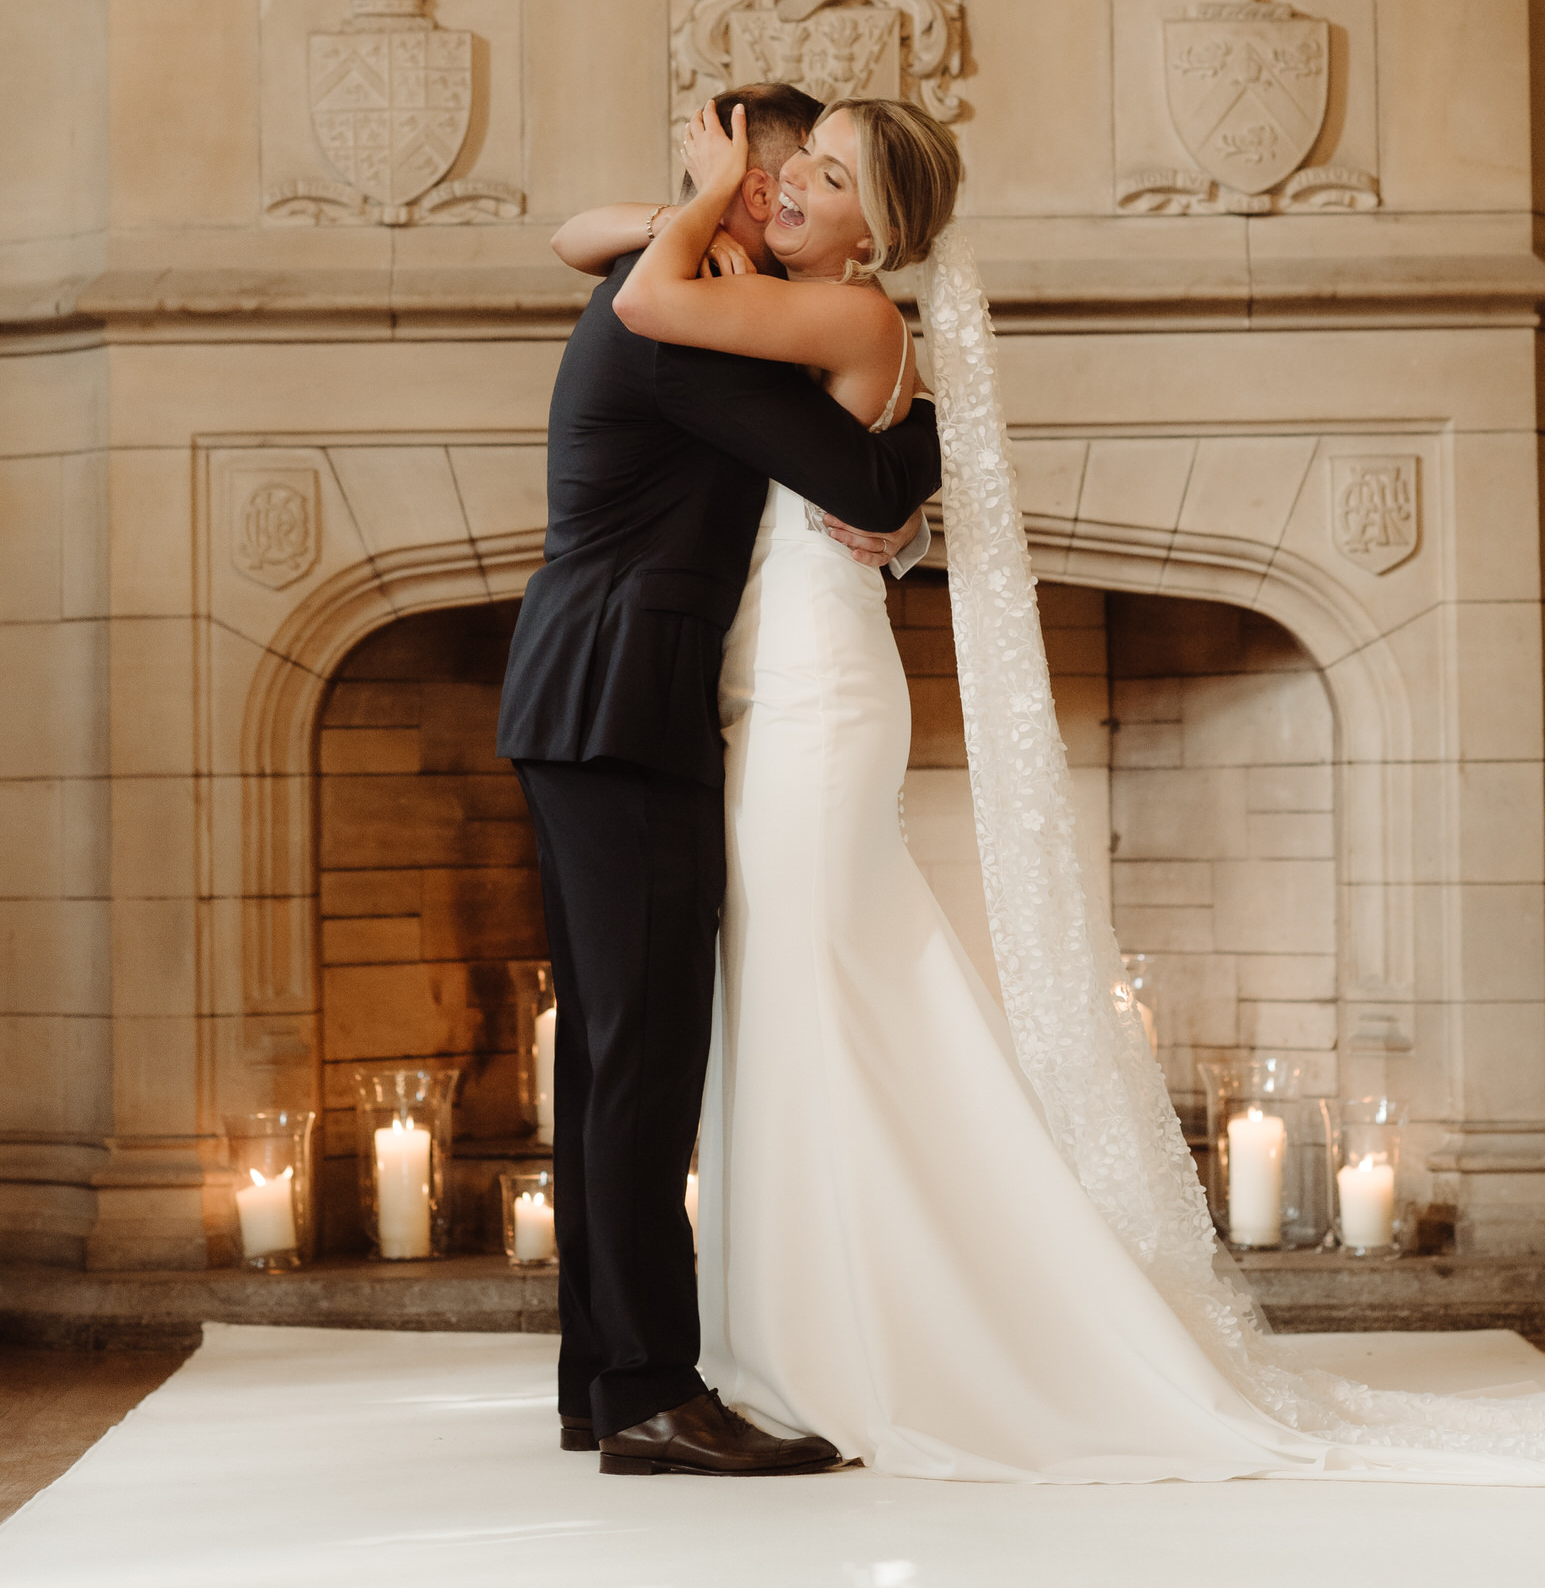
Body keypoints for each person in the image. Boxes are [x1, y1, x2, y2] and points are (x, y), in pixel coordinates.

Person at [601, 91, 1545, 1485]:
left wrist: (704, 184)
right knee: (801, 1008)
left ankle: (868, 1348)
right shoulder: (777, 298)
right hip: (771, 692)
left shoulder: (850, 319)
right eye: (793, 155)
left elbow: (643, 308)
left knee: (814, 1004)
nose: (788, 177)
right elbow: (621, 267)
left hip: (814, 702)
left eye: (828, 172)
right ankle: (801, 1339)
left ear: (878, 233)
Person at [496, 81, 942, 1478]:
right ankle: (646, 1390)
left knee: (611, 1061)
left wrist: (908, 463)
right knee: (643, 1061)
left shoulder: (695, 284)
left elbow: (857, 475)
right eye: (763, 177)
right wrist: (914, 459)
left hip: (598, 695)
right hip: (625, 700)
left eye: (802, 178)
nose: (774, 197)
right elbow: (860, 486)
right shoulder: (674, 305)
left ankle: (599, 1383)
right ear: (722, 181)